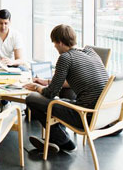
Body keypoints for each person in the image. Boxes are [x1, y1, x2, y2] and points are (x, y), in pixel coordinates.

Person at [24, 24, 108, 154]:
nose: (55, 47)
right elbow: (78, 80)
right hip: (104, 113)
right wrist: (47, 82)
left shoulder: (65, 58)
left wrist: (36, 87)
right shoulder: (90, 52)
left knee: (31, 99)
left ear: (60, 42)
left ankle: (61, 139)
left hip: (85, 116)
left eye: (55, 43)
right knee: (67, 92)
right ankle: (55, 138)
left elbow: (50, 93)